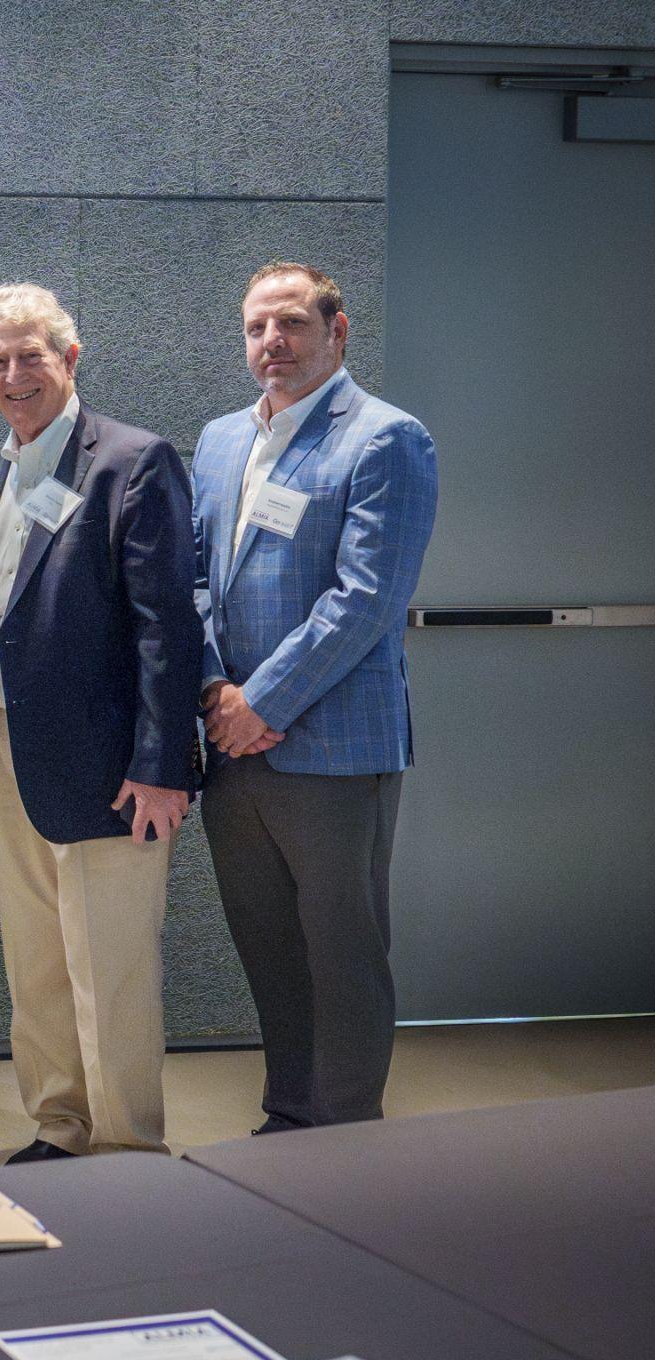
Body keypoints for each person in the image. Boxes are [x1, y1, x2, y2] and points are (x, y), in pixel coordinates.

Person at [0, 283, 203, 1164]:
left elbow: (168, 626)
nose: (15, 376)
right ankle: (60, 1124)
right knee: (37, 958)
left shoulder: (133, 461)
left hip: (108, 763)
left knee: (112, 965)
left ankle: (128, 1143)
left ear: (71, 358)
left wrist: (163, 762)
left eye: (32, 356)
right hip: (4, 743)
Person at [193, 261, 437, 1132]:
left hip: (332, 747)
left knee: (343, 954)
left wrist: (263, 701)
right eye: (258, 327)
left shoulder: (385, 438)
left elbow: (366, 598)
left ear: (337, 331)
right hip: (232, 744)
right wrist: (216, 686)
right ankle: (290, 1116)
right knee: (269, 947)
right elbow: (193, 581)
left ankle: (344, 1132)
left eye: (292, 323)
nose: (272, 343)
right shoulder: (221, 440)